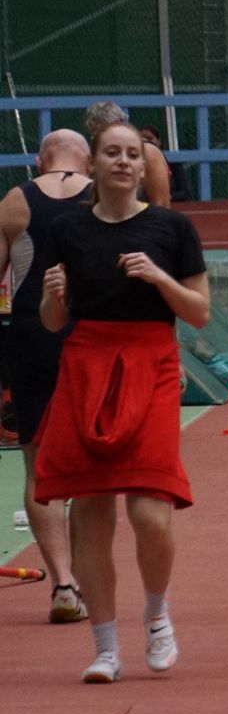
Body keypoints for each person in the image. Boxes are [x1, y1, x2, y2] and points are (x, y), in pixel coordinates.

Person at [35, 120, 210, 683]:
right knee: (91, 514)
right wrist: (53, 298)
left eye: (133, 154)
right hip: (87, 363)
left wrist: (160, 278)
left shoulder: (171, 227)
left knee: (150, 513)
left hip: (151, 363)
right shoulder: (66, 229)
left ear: (144, 164)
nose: (124, 162)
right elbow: (53, 320)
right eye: (112, 152)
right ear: (94, 164)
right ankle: (105, 648)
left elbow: (199, 311)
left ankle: (157, 614)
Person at [0, 128, 92, 623]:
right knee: (93, 466)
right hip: (91, 334)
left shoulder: (15, 201)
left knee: (39, 466)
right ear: (89, 161)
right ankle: (89, 577)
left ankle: (63, 582)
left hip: (32, 333)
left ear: (40, 161)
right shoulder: (104, 196)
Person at [83, 102, 172, 206]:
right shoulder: (96, 155)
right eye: (95, 135)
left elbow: (161, 203)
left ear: (121, 123)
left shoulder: (148, 152)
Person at [137, 127, 193, 203]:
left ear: (159, 141)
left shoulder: (173, 163)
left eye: (149, 138)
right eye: (142, 139)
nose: (146, 141)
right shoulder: (135, 165)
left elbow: (184, 193)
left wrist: (166, 197)